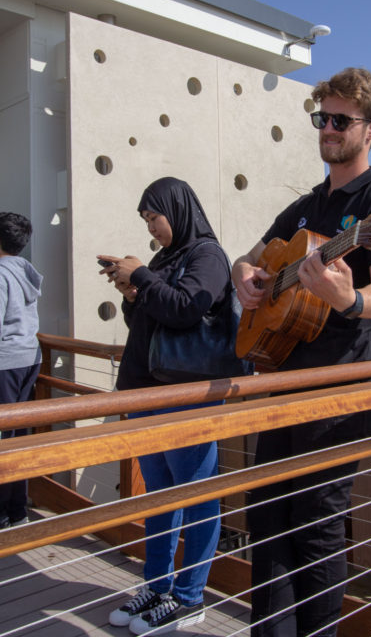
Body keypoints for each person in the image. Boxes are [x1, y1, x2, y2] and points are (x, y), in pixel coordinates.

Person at [232, 67, 371, 637]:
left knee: (318, 522)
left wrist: (348, 298)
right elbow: (251, 257)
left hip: (340, 388)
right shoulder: (305, 206)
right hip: (283, 380)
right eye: (322, 118)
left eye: (341, 120)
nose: (327, 128)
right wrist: (246, 277)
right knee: (267, 513)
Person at [98, 177, 233, 636]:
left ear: (177, 210)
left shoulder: (208, 256)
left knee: (195, 497)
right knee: (159, 495)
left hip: (185, 396)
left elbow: (185, 311)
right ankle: (158, 586)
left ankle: (190, 598)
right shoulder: (163, 260)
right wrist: (132, 295)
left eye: (154, 216)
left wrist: (141, 277)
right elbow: (153, 318)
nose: (151, 227)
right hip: (149, 390)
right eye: (146, 220)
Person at [0, 212, 42, 529]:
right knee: (18, 433)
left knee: (4, 436)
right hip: (29, 358)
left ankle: (3, 512)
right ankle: (17, 509)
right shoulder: (24, 271)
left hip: (5, 361)